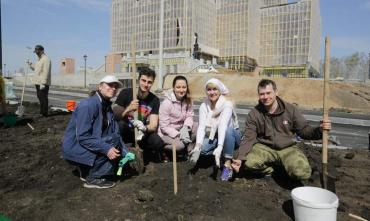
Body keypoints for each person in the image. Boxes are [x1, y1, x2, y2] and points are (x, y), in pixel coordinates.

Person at [232, 79, 331, 182]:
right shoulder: (254, 113)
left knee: (303, 173)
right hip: (264, 147)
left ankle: (286, 167)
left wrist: (320, 130)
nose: (265, 97)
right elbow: (248, 137)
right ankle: (271, 171)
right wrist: (240, 158)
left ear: (276, 92)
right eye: (262, 94)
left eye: (268, 93)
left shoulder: (290, 110)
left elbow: (304, 130)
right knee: (249, 163)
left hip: (287, 148)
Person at [62, 75, 128, 189]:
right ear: (100, 87)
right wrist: (106, 149)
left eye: (116, 86)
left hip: (87, 145)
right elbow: (82, 137)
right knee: (111, 143)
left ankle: (86, 168)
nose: (113, 88)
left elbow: (115, 132)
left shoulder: (107, 107)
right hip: (75, 147)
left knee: (115, 142)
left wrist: (126, 152)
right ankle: (93, 177)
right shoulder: (88, 105)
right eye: (110, 85)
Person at [189, 78, 241, 181]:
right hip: (216, 135)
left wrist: (220, 146)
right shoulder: (204, 106)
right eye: (209, 90)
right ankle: (220, 152)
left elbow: (222, 125)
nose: (212, 92)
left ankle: (227, 163)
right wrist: (198, 146)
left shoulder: (227, 104)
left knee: (227, 131)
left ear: (220, 90)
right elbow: (202, 126)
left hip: (232, 135)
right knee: (203, 150)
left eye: (215, 89)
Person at [113, 67, 164, 163]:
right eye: (143, 80)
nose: (146, 84)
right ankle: (122, 150)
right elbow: (115, 115)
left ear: (152, 83)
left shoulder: (154, 100)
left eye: (149, 82)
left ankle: (144, 154)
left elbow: (153, 125)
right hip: (126, 130)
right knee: (120, 125)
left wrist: (144, 128)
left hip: (140, 133)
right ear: (138, 80)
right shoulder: (126, 93)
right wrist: (128, 109)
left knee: (158, 143)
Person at [158, 75, 196, 160]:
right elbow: (164, 127)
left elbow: (189, 115)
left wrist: (186, 127)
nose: (181, 90)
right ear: (173, 88)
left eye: (184, 87)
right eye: (178, 87)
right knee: (180, 146)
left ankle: (189, 151)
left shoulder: (188, 100)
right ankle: (164, 150)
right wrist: (178, 134)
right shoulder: (167, 103)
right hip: (167, 133)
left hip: (181, 128)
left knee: (198, 127)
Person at [28, 45, 51, 117]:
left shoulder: (46, 59)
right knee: (40, 97)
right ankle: (42, 112)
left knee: (43, 97)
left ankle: (44, 113)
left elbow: (46, 72)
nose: (36, 53)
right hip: (38, 82)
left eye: (37, 51)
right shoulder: (39, 60)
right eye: (35, 52)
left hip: (42, 83)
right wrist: (30, 64)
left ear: (42, 51)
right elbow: (36, 69)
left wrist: (43, 83)